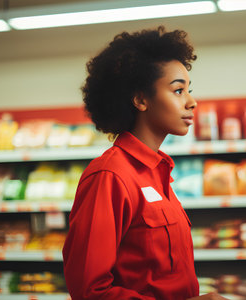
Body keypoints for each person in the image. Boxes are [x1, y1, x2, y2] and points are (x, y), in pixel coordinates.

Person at [62, 26, 229, 300]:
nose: (192, 102)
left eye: (189, 90)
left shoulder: (159, 174)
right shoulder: (110, 176)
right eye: (178, 91)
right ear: (141, 99)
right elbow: (90, 292)